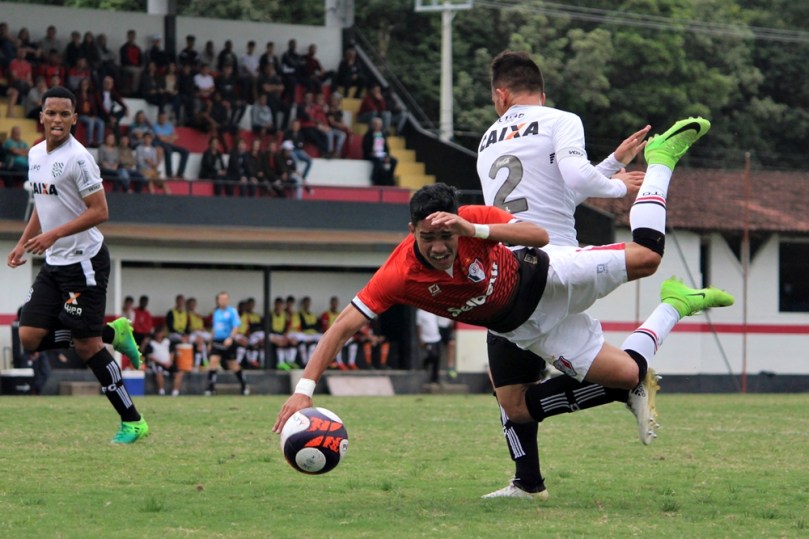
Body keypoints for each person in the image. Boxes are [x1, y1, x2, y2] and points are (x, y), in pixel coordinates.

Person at [273, 179, 735, 447]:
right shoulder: (398, 275)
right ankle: (676, 304)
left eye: (446, 237)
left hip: (549, 275)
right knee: (630, 373)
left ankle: (662, 162)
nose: (438, 248)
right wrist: (304, 390)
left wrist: (474, 226)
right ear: (410, 229)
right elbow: (343, 328)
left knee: (647, 258)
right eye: (427, 237)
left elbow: (536, 234)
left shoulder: (469, 221)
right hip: (529, 328)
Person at [477, 50, 653, 499]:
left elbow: (564, 186)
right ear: (541, 90)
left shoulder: (487, 141)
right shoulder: (560, 120)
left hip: (521, 274)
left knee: (512, 397)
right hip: (555, 266)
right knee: (512, 395)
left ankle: (618, 387)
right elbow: (564, 193)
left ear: (501, 95)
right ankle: (528, 482)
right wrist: (615, 173)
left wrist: (613, 183)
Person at [6, 86, 148, 444]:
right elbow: (43, 204)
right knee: (29, 337)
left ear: (74, 119)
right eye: (50, 113)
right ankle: (114, 333)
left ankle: (132, 422)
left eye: (63, 114)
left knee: (87, 346)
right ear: (41, 116)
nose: (56, 119)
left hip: (85, 263)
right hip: (54, 264)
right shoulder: (35, 153)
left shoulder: (79, 158)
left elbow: (100, 212)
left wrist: (53, 236)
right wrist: (23, 242)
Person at [205, 291, 249, 396]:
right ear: (218, 300)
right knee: (213, 362)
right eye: (221, 299)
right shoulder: (216, 312)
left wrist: (230, 338)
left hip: (228, 341)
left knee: (232, 365)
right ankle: (211, 388)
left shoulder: (232, 311)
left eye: (225, 299)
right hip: (217, 341)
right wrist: (210, 342)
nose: (223, 301)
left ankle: (244, 385)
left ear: (228, 300)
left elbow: (236, 326)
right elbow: (214, 328)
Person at [145, 324, 184, 396]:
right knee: (159, 373)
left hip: (168, 363)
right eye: (158, 333)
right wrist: (162, 363)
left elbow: (172, 353)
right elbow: (149, 356)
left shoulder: (167, 342)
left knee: (179, 373)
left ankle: (175, 392)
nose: (159, 335)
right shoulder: (151, 343)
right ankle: (161, 391)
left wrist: (170, 361)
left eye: (161, 333)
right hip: (157, 363)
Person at [152, 111, 189, 179]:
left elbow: (176, 136)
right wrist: (170, 138)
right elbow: (161, 138)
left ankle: (180, 173)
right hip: (160, 144)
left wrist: (168, 138)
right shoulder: (155, 126)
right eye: (161, 118)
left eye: (164, 118)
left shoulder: (169, 126)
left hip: (169, 144)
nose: (163, 119)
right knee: (168, 151)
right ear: (158, 118)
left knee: (185, 151)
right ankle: (169, 174)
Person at [362, 117, 397, 186]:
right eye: (375, 124)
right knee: (378, 161)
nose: (377, 126)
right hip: (371, 154)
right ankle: (374, 179)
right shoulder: (368, 135)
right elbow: (365, 147)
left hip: (382, 154)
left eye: (378, 124)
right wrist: (371, 153)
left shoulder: (383, 134)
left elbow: (386, 147)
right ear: (372, 125)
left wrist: (387, 156)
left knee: (393, 161)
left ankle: (389, 178)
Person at [416, 309, 442, 383]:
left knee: (437, 358)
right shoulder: (420, 313)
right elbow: (419, 326)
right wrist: (421, 339)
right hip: (427, 339)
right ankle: (425, 362)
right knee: (433, 355)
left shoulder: (433, 311)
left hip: (436, 337)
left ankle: (435, 378)